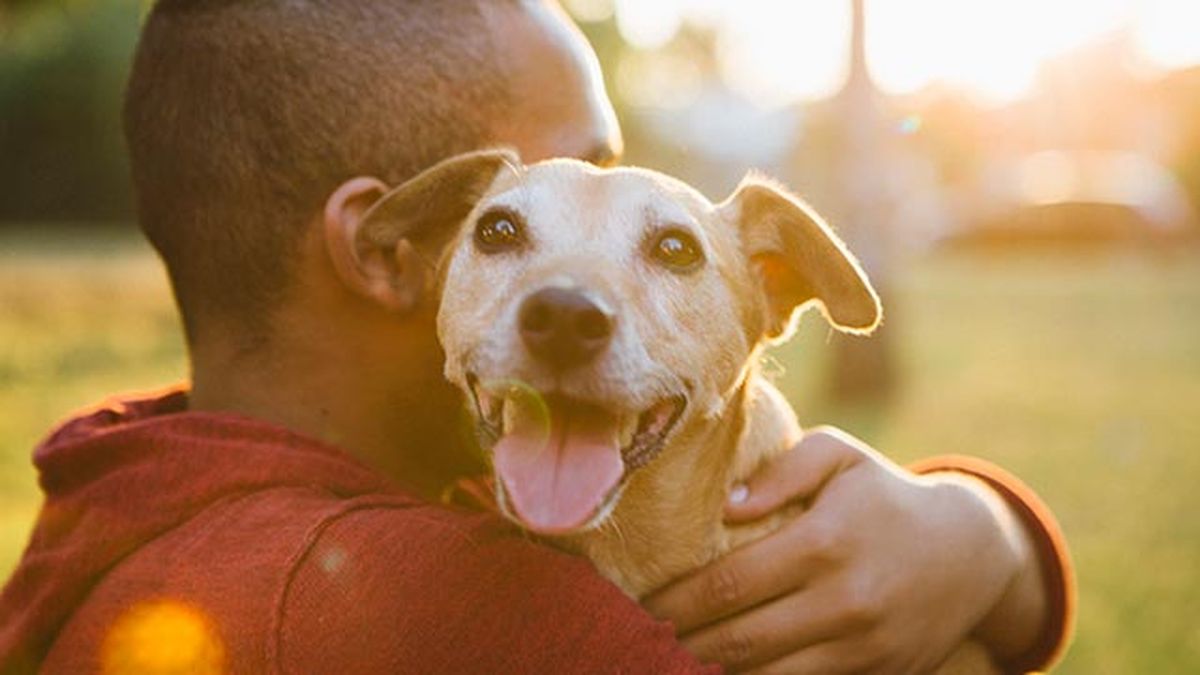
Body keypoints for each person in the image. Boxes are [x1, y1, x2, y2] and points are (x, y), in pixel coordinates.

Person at [0, 1, 1073, 673]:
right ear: (395, 250)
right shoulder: (477, 614)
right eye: (515, 223)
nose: (576, 296)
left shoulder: (133, 491)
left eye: (663, 246)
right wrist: (992, 550)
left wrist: (985, 532)